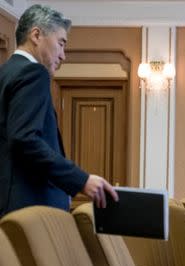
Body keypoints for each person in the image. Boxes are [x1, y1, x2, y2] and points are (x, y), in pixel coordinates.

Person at [0, 4, 118, 217]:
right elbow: (24, 139)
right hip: (28, 210)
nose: (63, 55)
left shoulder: (6, 73)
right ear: (36, 35)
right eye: (61, 43)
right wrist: (81, 179)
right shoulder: (33, 72)